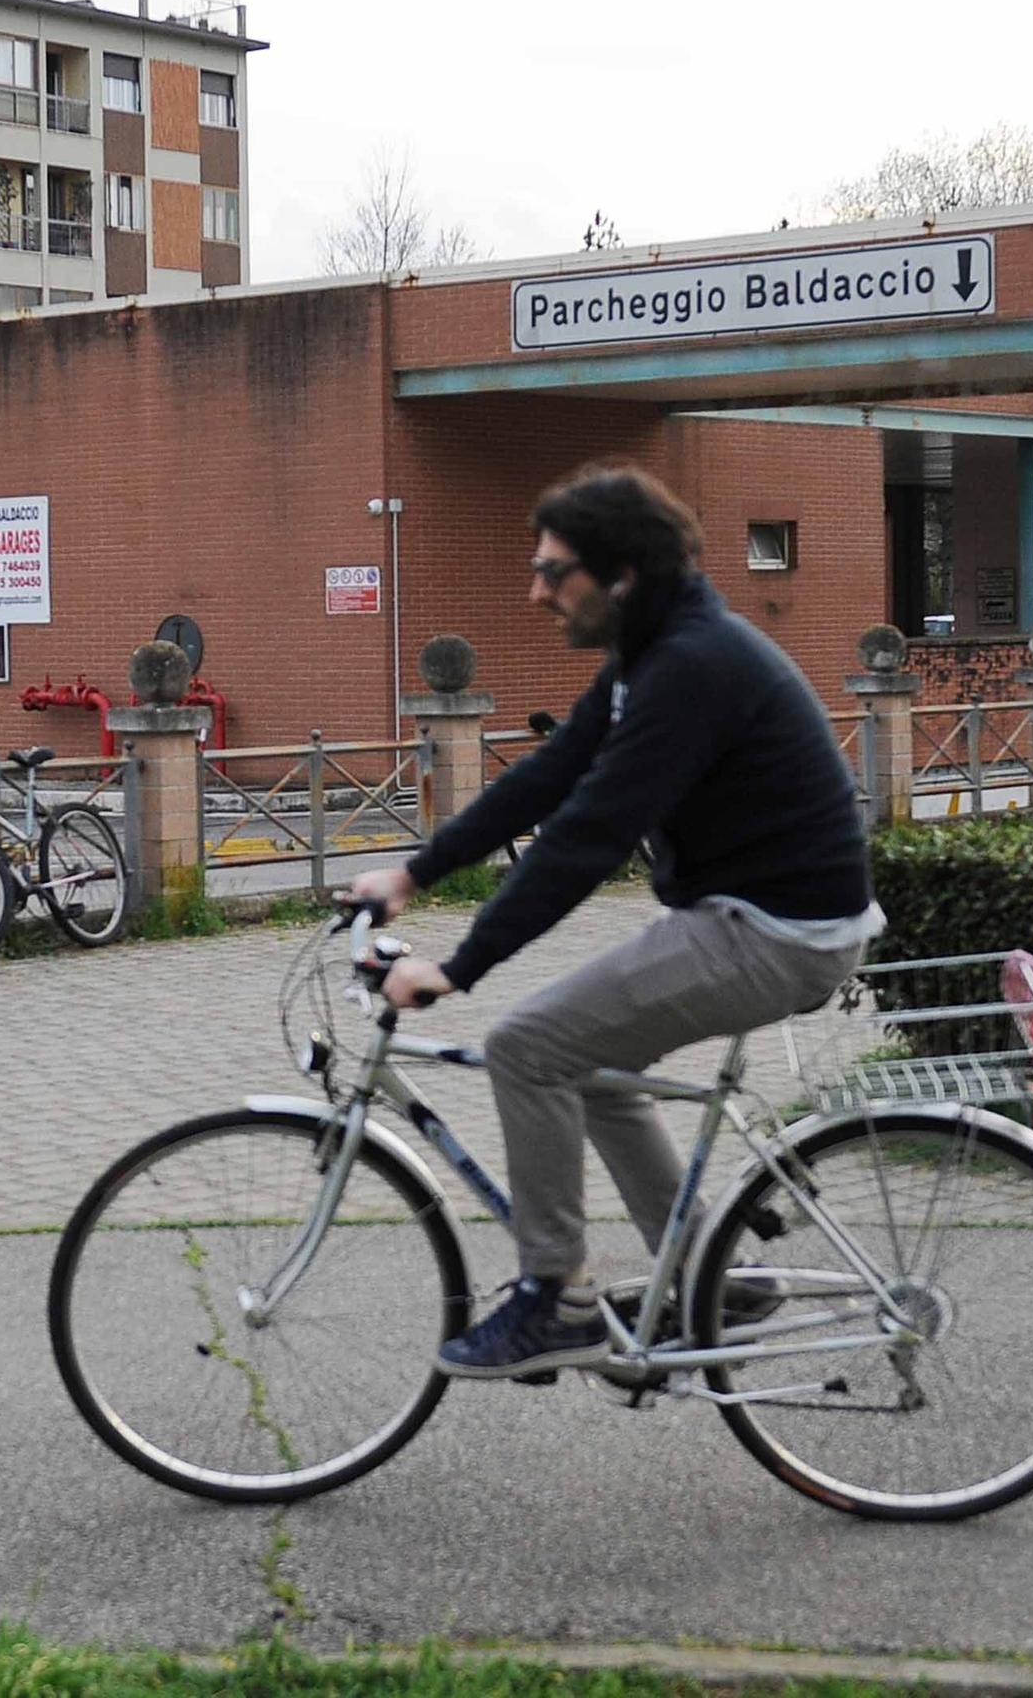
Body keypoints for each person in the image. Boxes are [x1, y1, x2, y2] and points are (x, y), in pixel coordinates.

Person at [349, 465, 880, 1380]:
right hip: (753, 917)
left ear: (622, 575)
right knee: (593, 1068)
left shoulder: (692, 667)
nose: (537, 592)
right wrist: (412, 871)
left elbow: (587, 838)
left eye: (556, 572)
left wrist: (459, 967)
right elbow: (550, 779)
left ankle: (557, 1300)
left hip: (777, 931)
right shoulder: (653, 656)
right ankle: (718, 1273)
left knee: (527, 1046)